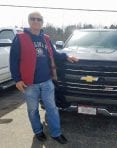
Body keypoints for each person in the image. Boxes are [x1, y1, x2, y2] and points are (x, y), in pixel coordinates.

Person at [10, 11, 78, 144]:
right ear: (29, 21)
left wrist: (67, 57)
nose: (36, 21)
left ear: (42, 22)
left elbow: (55, 54)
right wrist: (17, 79)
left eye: (38, 19)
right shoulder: (20, 37)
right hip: (29, 84)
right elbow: (13, 60)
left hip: (47, 82)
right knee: (32, 109)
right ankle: (38, 131)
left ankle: (56, 133)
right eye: (33, 19)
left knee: (52, 108)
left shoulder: (46, 38)